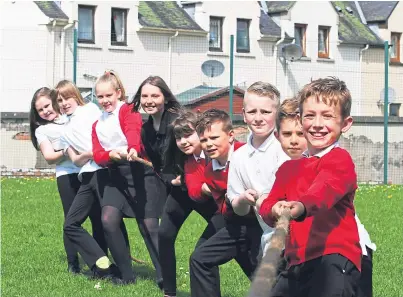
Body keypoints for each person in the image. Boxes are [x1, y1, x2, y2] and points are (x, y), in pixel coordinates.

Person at [259, 77, 362, 297]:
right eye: (309, 115)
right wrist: (274, 209)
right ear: (299, 118)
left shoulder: (339, 159)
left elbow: (324, 190)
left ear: (345, 123)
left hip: (333, 259)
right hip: (295, 261)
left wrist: (300, 206)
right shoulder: (288, 168)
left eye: (327, 116)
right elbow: (269, 203)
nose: (317, 124)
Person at [189, 109, 262, 297]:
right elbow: (223, 207)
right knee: (200, 258)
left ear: (230, 136)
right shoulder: (210, 170)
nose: (209, 144)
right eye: (204, 140)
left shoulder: (248, 155)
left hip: (262, 223)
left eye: (214, 137)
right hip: (236, 224)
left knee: (265, 277)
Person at [55, 80, 118, 279]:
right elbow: (75, 158)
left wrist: (98, 153)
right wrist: (90, 154)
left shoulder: (90, 109)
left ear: (76, 95)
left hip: (106, 170)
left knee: (108, 221)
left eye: (67, 97)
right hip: (88, 173)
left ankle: (118, 269)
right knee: (71, 223)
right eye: (60, 100)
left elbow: (106, 131)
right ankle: (101, 260)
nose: (64, 103)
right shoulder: (65, 127)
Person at [159, 110, 225, 297]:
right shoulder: (178, 151)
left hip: (214, 203)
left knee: (206, 251)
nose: (183, 141)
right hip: (182, 195)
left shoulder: (214, 150)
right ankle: (169, 291)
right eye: (179, 137)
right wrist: (174, 181)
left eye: (188, 135)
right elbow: (165, 171)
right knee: (164, 234)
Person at [128, 75, 182, 288]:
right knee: (148, 223)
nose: (149, 100)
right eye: (145, 96)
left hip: (190, 182)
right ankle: (164, 277)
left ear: (165, 98)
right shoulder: (146, 128)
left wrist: (185, 177)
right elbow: (158, 164)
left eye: (154, 95)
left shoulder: (177, 120)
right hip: (166, 180)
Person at [91, 70, 144, 285]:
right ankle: (127, 275)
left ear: (118, 93)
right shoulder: (97, 123)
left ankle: (163, 276)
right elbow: (97, 153)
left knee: (148, 225)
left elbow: (133, 130)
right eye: (100, 97)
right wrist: (109, 155)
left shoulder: (127, 110)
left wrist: (132, 148)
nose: (104, 101)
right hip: (113, 173)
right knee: (108, 220)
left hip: (136, 171)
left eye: (108, 96)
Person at [227, 82, 288, 261]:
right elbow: (237, 207)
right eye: (252, 112)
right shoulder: (238, 157)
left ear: (277, 115)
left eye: (266, 112)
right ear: (244, 115)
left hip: (299, 237)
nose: (258, 118)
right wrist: (243, 199)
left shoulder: (286, 149)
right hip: (270, 239)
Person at [29, 87, 83, 274]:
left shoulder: (72, 117)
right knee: (71, 219)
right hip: (66, 176)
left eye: (47, 105)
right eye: (40, 109)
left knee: (97, 216)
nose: (45, 111)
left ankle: (102, 262)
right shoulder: (42, 130)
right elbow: (50, 156)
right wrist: (67, 151)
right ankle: (73, 264)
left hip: (88, 172)